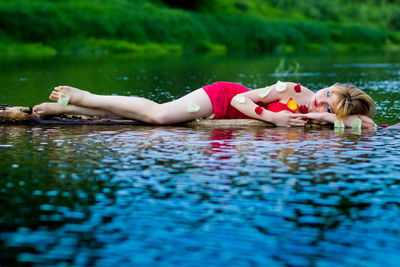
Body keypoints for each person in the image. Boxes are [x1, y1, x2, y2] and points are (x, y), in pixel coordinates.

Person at [32, 81, 376, 128]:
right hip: (222, 97)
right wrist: (276, 121)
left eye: (331, 108)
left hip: (222, 112)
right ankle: (82, 97)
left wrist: (332, 120)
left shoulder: (324, 117)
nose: (322, 104)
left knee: (147, 115)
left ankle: (64, 108)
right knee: (157, 115)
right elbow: (242, 99)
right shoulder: (293, 89)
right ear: (331, 86)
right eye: (329, 95)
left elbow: (370, 127)